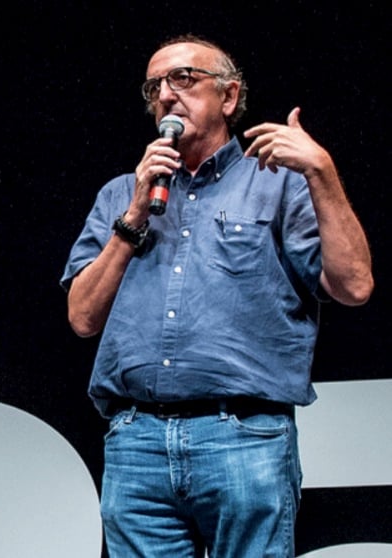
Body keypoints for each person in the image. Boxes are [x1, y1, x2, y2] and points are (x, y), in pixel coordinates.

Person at [61, 34, 373, 557]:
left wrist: (320, 169)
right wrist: (134, 216)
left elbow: (354, 286)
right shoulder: (121, 194)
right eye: (155, 85)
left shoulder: (279, 182)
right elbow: (82, 317)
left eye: (183, 78)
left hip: (243, 435)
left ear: (228, 98)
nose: (165, 94)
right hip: (136, 442)